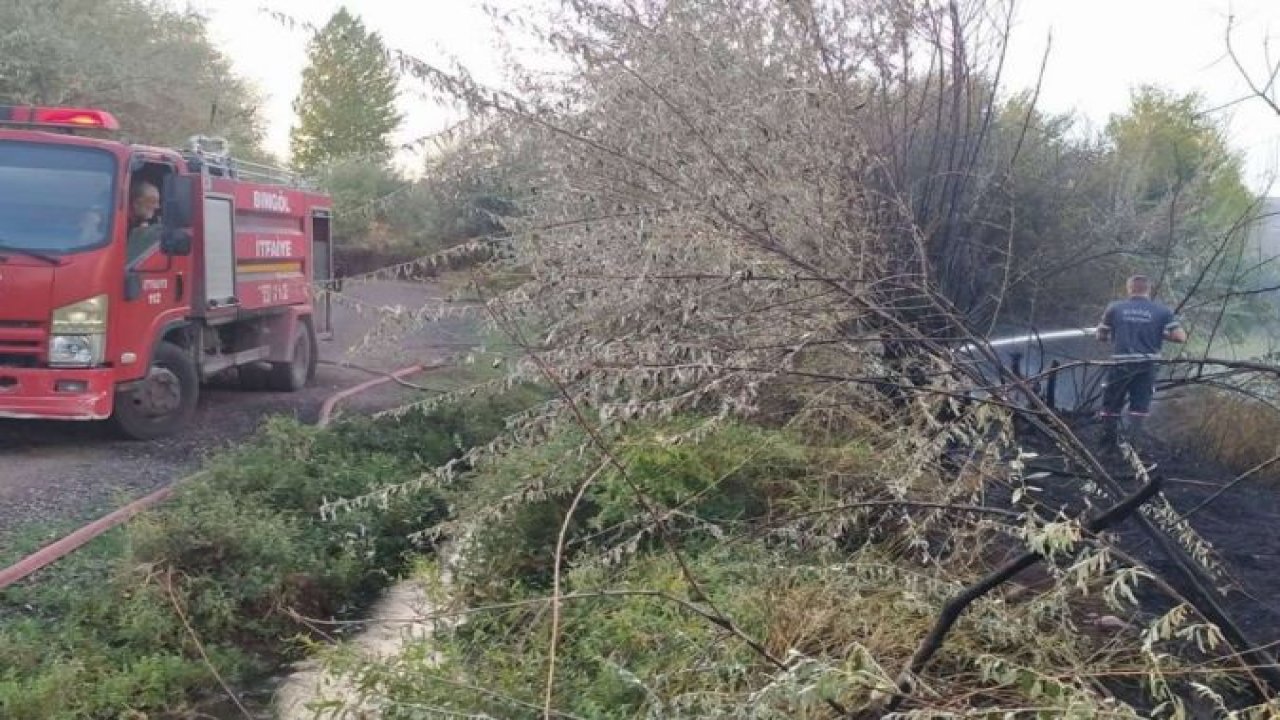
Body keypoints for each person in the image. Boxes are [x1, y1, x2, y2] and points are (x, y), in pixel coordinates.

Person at [1095, 274, 1187, 446]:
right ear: (1148, 289)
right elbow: (1180, 337)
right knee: (1139, 405)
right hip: (1147, 366)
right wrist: (1160, 333)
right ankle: (1133, 445)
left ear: (1129, 288)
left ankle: (1107, 446)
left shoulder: (1114, 308)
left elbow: (1101, 336)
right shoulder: (1162, 311)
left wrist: (1113, 332)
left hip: (1120, 364)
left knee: (1111, 403)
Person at [126, 181, 161, 263]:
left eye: (158, 202)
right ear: (136, 203)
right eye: (153, 201)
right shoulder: (121, 224)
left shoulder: (139, 221)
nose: (157, 206)